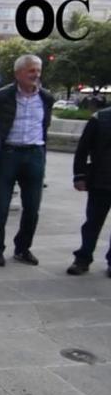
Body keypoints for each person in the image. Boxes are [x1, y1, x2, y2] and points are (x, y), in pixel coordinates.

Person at [0, 55, 54, 267]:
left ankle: (23, 248)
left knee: (32, 207)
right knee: (1, 207)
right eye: (31, 71)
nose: (36, 75)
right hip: (7, 155)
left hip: (34, 154)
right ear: (18, 74)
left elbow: (45, 125)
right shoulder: (0, 97)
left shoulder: (46, 97)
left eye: (38, 70)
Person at [67, 106, 111, 277]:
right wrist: (79, 176)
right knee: (92, 223)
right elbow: (83, 149)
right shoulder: (100, 118)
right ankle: (83, 259)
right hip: (101, 180)